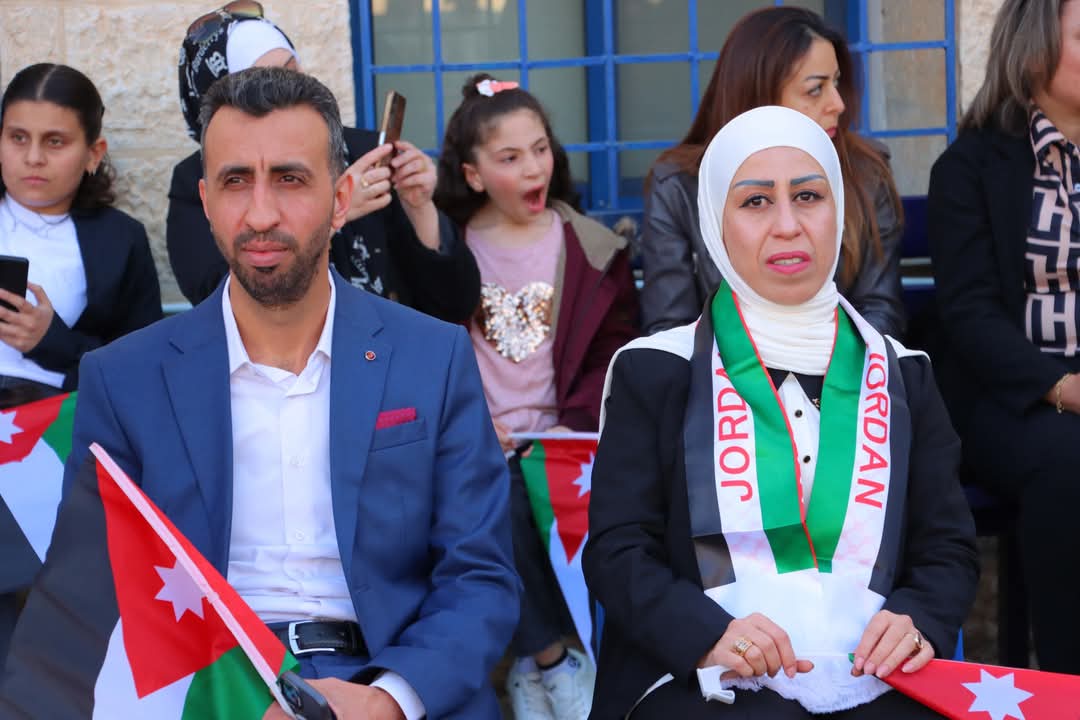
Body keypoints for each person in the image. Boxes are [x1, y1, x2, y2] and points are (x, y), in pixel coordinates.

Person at [1, 67, 518, 719]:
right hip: (209, 691)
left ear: (341, 199)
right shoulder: (125, 379)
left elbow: (480, 577)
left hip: (397, 682)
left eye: (290, 179)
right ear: (207, 202)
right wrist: (236, 706)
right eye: (236, 181)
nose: (261, 214)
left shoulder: (432, 358)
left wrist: (387, 700)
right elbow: (91, 598)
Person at [584, 106, 978, 718]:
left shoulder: (903, 374)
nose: (788, 225)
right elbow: (619, 550)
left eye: (808, 196)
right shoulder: (658, 370)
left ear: (839, 212)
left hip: (872, 672)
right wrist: (706, 635)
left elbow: (946, 547)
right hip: (702, 674)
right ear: (715, 223)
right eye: (756, 202)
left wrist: (917, 618)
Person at [433, 73, 639, 720]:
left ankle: (531, 667)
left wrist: (570, 427)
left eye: (541, 149)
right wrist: (473, 424)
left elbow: (614, 354)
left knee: (547, 499)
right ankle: (554, 661)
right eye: (510, 157)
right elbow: (428, 353)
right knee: (495, 497)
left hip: (570, 441)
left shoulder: (592, 251)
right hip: (481, 440)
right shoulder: (448, 253)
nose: (533, 168)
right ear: (472, 174)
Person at [928, 0, 1080, 675]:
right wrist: (1063, 387)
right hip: (1011, 398)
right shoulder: (969, 168)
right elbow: (969, 314)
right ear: (1035, 50)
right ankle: (1069, 683)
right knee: (1069, 460)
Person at [168, 2, 480, 322]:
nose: (281, 92)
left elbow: (455, 301)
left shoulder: (366, 154)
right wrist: (332, 215)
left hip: (388, 348)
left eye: (291, 72)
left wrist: (420, 209)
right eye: (258, 84)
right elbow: (216, 300)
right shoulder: (194, 180)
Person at [0, 62, 162, 660]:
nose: (33, 158)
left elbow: (145, 368)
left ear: (93, 153)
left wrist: (54, 342)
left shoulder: (119, 239)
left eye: (55, 142)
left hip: (59, 444)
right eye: (18, 138)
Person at [640, 6, 904, 339]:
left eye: (836, 82)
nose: (837, 103)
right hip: (725, 367)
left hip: (841, 366)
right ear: (758, 97)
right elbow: (670, 329)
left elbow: (880, 310)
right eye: (815, 89)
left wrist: (824, 364)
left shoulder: (865, 172)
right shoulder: (678, 185)